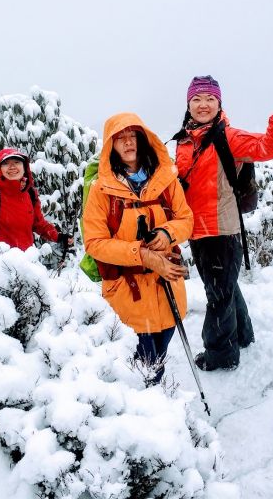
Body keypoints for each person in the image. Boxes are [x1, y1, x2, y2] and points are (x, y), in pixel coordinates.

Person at [174, 75, 273, 371]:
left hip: (222, 230)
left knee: (217, 296)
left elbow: (268, 147)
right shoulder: (183, 141)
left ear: (219, 103)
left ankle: (221, 355)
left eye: (209, 99)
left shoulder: (227, 136)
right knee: (225, 288)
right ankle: (243, 334)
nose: (203, 105)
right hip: (197, 231)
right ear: (188, 104)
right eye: (197, 99)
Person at [82, 113, 193, 385]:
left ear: (143, 141)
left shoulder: (166, 180)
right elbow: (94, 243)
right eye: (120, 138)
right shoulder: (101, 191)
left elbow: (186, 219)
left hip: (167, 285)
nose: (128, 143)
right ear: (111, 145)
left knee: (160, 351)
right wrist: (142, 254)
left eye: (133, 136)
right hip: (127, 292)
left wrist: (167, 233)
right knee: (140, 366)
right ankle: (145, 410)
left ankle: (155, 407)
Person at [0, 148, 72, 251]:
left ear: (24, 167)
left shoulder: (29, 194)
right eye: (6, 163)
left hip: (26, 263)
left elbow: (39, 223)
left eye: (17, 162)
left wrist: (59, 237)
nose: (12, 166)